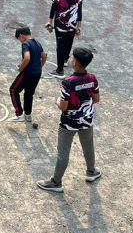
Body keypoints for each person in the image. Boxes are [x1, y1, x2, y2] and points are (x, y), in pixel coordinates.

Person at [37, 47, 101, 192]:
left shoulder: (68, 82)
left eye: (73, 58)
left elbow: (63, 106)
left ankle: (56, 182)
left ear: (75, 62)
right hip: (86, 120)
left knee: (63, 153)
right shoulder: (92, 78)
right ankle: (91, 172)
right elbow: (96, 99)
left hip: (69, 123)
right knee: (88, 146)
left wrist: (57, 101)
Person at [45, 0, 82, 78]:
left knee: (60, 46)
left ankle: (59, 70)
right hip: (72, 23)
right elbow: (79, 9)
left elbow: (54, 7)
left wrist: (50, 21)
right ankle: (65, 59)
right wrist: (79, 25)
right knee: (69, 41)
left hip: (60, 24)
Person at [9, 27, 47, 126]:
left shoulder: (25, 44)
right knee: (29, 94)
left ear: (21, 36)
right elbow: (44, 56)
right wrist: (39, 66)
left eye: (19, 39)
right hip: (37, 73)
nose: (20, 42)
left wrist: (20, 69)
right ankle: (28, 115)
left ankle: (19, 114)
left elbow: (27, 58)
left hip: (27, 73)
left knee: (13, 90)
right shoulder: (37, 43)